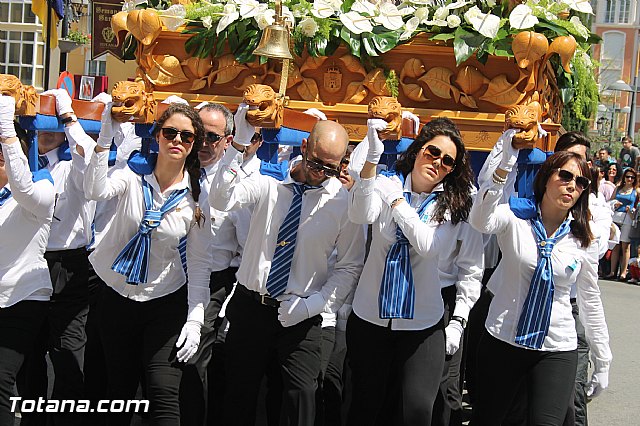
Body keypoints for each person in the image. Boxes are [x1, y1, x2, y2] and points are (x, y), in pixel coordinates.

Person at [210, 108, 365, 426]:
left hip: (302, 314)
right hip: (252, 306)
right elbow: (221, 199)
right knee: (239, 394)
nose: (320, 173)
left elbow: (350, 266)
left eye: (331, 168)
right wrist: (238, 144)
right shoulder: (267, 182)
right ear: (304, 146)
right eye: (316, 163)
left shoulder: (342, 204)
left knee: (302, 396)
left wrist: (315, 305)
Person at [84, 103, 211, 425]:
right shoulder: (132, 175)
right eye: (170, 132)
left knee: (163, 390)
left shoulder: (197, 195)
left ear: (194, 144)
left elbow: (199, 261)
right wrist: (105, 136)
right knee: (119, 390)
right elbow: (94, 190)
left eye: (186, 136)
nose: (177, 140)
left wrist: (195, 320)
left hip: (164, 299)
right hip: (116, 295)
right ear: (157, 137)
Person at [346, 117, 475, 425]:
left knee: (417, 410)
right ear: (418, 150)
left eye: (447, 161)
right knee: (365, 407)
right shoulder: (387, 180)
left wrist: (396, 201)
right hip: (371, 315)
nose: (437, 163)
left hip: (422, 324)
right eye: (433, 152)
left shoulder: (453, 203)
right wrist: (372, 162)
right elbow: (359, 213)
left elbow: (428, 245)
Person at [468, 149, 612, 425]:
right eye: (565, 176)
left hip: (556, 346)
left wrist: (602, 359)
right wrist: (504, 165)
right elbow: (480, 220)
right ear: (546, 177)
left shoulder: (584, 237)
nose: (572, 185)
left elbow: (590, 299)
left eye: (581, 182)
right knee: (488, 419)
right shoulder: (515, 216)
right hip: (504, 339)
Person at [17, 88, 96, 426]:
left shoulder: (74, 164)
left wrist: (67, 117)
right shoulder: (21, 162)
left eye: (53, 125)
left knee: (68, 353)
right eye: (41, 122)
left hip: (68, 264)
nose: (47, 132)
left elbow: (89, 155)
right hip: (28, 261)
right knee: (28, 354)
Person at [0, 96, 55, 426]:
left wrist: (7, 131)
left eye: (4, 153)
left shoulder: (41, 187)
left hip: (23, 297)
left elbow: (22, 187)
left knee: (2, 380)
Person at [178, 101, 233, 426]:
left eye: (212, 137)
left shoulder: (235, 184)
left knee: (192, 363)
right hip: (169, 276)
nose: (203, 143)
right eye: (198, 134)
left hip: (213, 284)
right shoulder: (172, 169)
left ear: (228, 141)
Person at [607, 168, 639, 281]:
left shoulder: (636, 191)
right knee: (615, 245)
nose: (629, 179)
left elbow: (638, 206)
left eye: (632, 177)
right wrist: (615, 204)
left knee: (625, 246)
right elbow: (609, 201)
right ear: (624, 177)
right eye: (627, 176)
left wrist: (632, 210)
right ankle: (612, 271)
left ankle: (624, 272)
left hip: (628, 218)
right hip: (615, 217)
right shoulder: (618, 189)